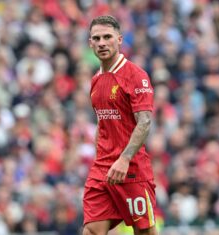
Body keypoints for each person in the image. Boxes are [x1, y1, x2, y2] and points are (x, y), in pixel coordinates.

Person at [82, 15, 158, 235]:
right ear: (90, 43)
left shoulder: (136, 76)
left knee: (143, 232)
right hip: (102, 169)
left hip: (131, 168)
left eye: (107, 37)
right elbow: (102, 122)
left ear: (120, 39)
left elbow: (144, 122)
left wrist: (124, 158)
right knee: (92, 231)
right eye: (96, 38)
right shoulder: (96, 80)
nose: (102, 42)